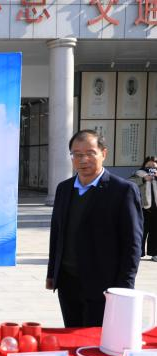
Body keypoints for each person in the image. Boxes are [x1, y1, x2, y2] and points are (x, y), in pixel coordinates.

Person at [46, 130, 142, 327]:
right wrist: (51, 273)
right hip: (68, 282)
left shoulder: (122, 190)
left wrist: (125, 287)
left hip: (104, 284)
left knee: (96, 337)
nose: (84, 160)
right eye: (77, 154)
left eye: (90, 153)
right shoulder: (64, 189)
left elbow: (132, 244)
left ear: (103, 153)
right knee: (72, 334)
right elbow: (57, 233)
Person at [129, 156, 157, 261]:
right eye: (148, 166)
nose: (151, 168)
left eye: (154, 166)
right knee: (141, 232)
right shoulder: (138, 174)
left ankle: (154, 253)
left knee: (155, 232)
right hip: (142, 208)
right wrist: (143, 179)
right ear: (144, 165)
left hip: (156, 209)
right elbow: (130, 183)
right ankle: (138, 253)